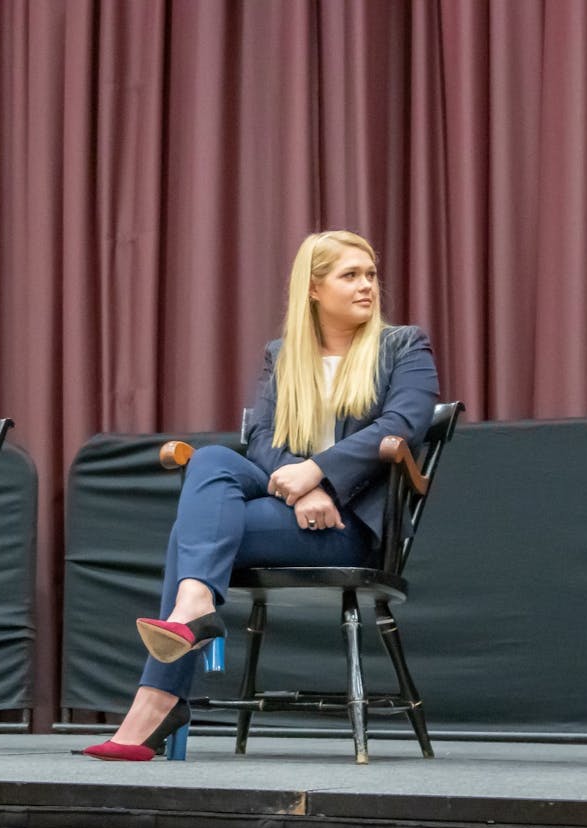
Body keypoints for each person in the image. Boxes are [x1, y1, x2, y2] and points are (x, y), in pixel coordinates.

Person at [83, 230, 440, 761]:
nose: (367, 286)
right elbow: (263, 440)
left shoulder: (403, 346)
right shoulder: (283, 356)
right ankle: (192, 612)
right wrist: (300, 488)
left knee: (190, 536)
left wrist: (318, 472)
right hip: (293, 507)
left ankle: (160, 692)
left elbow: (401, 426)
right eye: (351, 275)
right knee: (211, 459)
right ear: (314, 289)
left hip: (349, 530)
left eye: (370, 274)